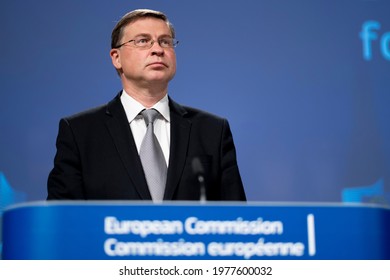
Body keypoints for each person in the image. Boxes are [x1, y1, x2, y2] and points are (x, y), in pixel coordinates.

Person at [47, 9, 246, 201]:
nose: (158, 50)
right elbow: (63, 220)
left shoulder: (212, 131)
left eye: (165, 42)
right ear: (116, 58)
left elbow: (236, 220)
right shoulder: (80, 132)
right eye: (143, 41)